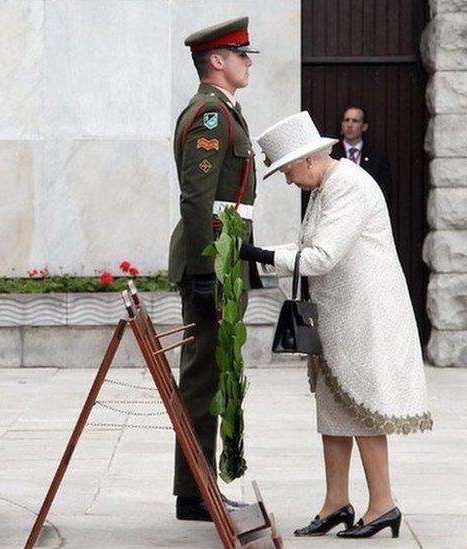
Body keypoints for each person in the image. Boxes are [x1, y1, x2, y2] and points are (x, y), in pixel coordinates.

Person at [241, 111, 432, 539]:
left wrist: (262, 257)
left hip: (364, 315)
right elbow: (308, 247)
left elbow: (322, 256)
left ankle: (383, 504)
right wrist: (261, 251)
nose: (288, 180)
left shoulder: (349, 186)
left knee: (360, 406)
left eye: (287, 171)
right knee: (332, 408)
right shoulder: (326, 186)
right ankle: (336, 503)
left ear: (308, 159)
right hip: (337, 315)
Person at [168, 16, 260, 521]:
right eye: (241, 54)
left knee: (212, 371)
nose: (248, 62)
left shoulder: (224, 111)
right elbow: (198, 199)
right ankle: (195, 490)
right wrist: (206, 274)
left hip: (225, 258)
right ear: (217, 61)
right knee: (204, 376)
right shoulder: (209, 114)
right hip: (212, 261)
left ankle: (200, 485)